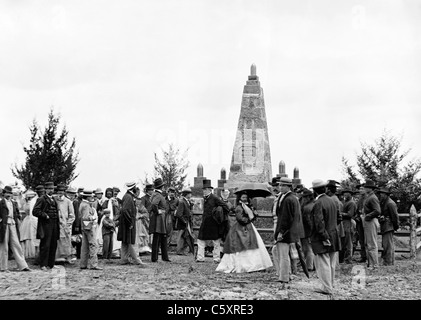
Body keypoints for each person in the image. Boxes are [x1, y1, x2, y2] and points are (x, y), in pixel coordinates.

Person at [216, 191, 272, 273]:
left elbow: (253, 216)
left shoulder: (248, 206)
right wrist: (249, 219)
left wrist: (254, 213)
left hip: (249, 227)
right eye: (243, 197)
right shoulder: (239, 207)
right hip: (241, 228)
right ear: (240, 198)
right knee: (243, 244)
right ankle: (244, 265)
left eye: (246, 197)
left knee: (253, 244)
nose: (244, 199)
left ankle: (256, 265)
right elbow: (240, 219)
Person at [310, 179, 341, 295]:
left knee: (323, 262)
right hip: (333, 234)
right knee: (331, 262)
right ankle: (330, 285)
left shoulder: (318, 203)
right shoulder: (333, 200)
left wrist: (324, 236)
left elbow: (319, 222)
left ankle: (326, 287)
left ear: (314, 190)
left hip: (322, 236)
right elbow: (339, 218)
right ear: (325, 189)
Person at [273, 177, 303, 287]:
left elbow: (286, 218)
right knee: (278, 252)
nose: (280, 187)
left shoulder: (289, 199)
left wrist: (281, 232)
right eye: (280, 185)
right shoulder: (286, 197)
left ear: (288, 187)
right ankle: (286, 274)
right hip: (288, 231)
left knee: (283, 255)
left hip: (286, 231)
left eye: (283, 185)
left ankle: (284, 277)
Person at [196, 179, 229, 263]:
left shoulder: (214, 198)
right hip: (205, 222)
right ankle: (200, 258)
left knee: (216, 240)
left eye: (205, 189)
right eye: (203, 189)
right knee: (200, 240)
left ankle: (216, 258)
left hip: (214, 223)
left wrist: (218, 213)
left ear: (210, 190)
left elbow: (225, 207)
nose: (204, 191)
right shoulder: (205, 198)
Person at [0, 186, 31, 272]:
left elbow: (16, 213)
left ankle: (23, 266)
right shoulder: (1, 202)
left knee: (16, 244)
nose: (8, 195)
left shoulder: (13, 203)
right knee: (4, 245)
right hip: (3, 225)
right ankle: (3, 267)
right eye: (7, 193)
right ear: (3, 193)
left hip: (12, 224)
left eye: (10, 193)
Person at [32, 182, 61, 270]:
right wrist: (45, 215)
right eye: (49, 189)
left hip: (54, 224)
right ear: (46, 190)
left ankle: (51, 264)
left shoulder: (54, 199)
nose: (51, 190)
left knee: (53, 244)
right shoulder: (41, 199)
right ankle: (43, 264)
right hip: (46, 225)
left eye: (52, 189)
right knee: (45, 244)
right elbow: (35, 211)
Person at [118, 182, 146, 266]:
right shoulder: (129, 197)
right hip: (128, 222)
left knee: (125, 241)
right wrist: (130, 222)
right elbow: (125, 210)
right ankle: (137, 259)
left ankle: (124, 259)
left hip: (125, 222)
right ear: (132, 188)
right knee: (131, 241)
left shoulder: (127, 196)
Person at [79, 189, 102, 270]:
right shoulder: (86, 205)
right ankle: (94, 264)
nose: (92, 198)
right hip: (88, 226)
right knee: (93, 245)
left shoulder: (82, 204)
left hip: (84, 227)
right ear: (88, 197)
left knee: (84, 246)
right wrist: (93, 217)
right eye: (91, 196)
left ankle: (83, 264)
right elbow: (85, 217)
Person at [361, 180, 381, 270]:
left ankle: (375, 265)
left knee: (372, 244)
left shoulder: (372, 198)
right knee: (369, 243)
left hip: (371, 221)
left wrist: (368, 216)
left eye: (366, 187)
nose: (365, 188)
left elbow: (377, 210)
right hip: (368, 221)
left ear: (370, 188)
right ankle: (371, 264)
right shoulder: (369, 197)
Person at [149, 178, 170, 262]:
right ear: (161, 187)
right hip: (159, 218)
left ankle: (164, 257)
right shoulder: (158, 195)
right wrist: (158, 211)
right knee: (157, 237)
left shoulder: (157, 194)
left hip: (161, 218)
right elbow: (154, 204)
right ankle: (155, 258)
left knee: (162, 237)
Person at [378, 187, 399, 266]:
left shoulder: (390, 203)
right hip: (385, 225)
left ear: (386, 195)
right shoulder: (384, 202)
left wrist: (395, 226)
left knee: (388, 245)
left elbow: (395, 216)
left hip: (388, 225)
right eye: (380, 194)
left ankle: (388, 262)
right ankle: (389, 261)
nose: (381, 195)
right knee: (386, 244)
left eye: (382, 194)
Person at [55, 184, 75, 264]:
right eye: (59, 191)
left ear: (64, 192)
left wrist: (67, 224)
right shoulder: (54, 200)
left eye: (62, 191)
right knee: (57, 241)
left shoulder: (68, 201)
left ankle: (68, 258)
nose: (60, 193)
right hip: (56, 224)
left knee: (67, 241)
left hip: (65, 225)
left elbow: (72, 215)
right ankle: (57, 258)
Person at [19, 189, 38, 259]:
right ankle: (31, 253)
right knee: (29, 235)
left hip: (29, 219)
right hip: (29, 219)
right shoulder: (30, 203)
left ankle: (31, 253)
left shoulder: (26, 204)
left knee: (29, 235)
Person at [175, 187, 194, 256]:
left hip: (186, 222)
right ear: (187, 194)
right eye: (190, 193)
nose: (191, 195)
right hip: (183, 222)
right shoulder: (182, 202)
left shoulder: (187, 201)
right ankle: (179, 250)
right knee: (181, 236)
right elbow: (179, 214)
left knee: (185, 236)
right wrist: (184, 221)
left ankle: (182, 250)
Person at [300, 188, 315, 271]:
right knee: (311, 248)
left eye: (305, 197)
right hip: (311, 230)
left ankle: (309, 266)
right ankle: (313, 265)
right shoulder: (315, 204)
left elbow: (308, 220)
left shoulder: (306, 207)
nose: (303, 199)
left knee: (307, 249)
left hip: (307, 230)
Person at [341, 189, 357, 264]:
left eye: (347, 193)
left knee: (348, 241)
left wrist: (342, 214)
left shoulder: (351, 203)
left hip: (349, 222)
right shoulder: (346, 202)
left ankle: (348, 258)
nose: (345, 195)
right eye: (344, 193)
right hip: (345, 223)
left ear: (351, 194)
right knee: (345, 241)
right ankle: (345, 258)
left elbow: (350, 214)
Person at [134, 187, 152, 255]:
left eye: (138, 193)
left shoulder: (139, 201)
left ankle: (141, 249)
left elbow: (145, 212)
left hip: (138, 221)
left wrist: (140, 216)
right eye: (136, 192)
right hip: (131, 220)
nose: (137, 194)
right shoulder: (130, 200)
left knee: (141, 235)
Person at [354, 184, 367, 262]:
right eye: (359, 189)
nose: (360, 190)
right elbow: (357, 210)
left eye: (362, 189)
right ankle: (363, 256)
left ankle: (368, 257)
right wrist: (357, 216)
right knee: (361, 239)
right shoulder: (359, 199)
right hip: (359, 222)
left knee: (367, 239)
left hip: (366, 221)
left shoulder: (368, 198)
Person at [71, 187, 84, 259]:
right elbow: (76, 214)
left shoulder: (82, 201)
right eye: (80, 192)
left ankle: (79, 254)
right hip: (77, 224)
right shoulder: (76, 202)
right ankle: (77, 254)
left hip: (81, 223)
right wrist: (76, 225)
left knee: (80, 239)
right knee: (76, 239)